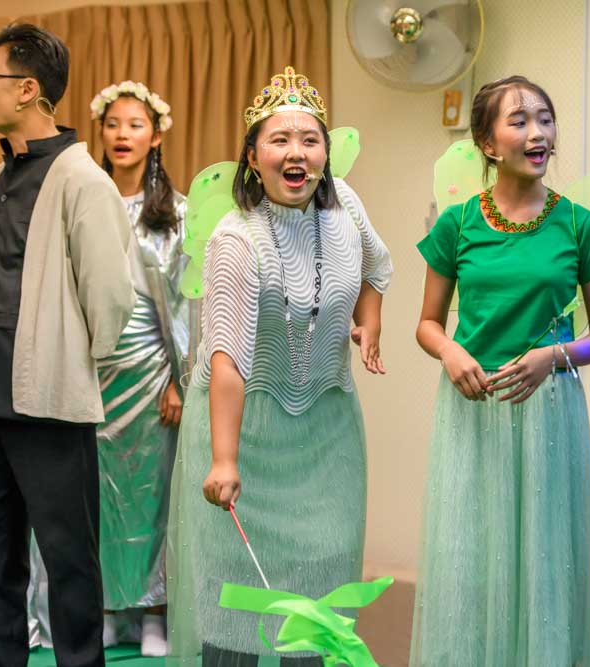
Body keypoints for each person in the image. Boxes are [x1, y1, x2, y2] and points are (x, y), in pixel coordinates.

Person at [167, 65, 392, 666]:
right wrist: (224, 459)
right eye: (280, 140)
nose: (297, 152)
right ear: (252, 157)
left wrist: (369, 321)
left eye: (310, 139)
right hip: (245, 436)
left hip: (327, 439)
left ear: (325, 154)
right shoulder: (236, 240)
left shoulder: (346, 207)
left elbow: (377, 265)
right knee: (236, 600)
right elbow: (228, 358)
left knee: (317, 597)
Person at [410, 75, 590, 666]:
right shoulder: (457, 224)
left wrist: (553, 356)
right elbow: (427, 324)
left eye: (546, 119)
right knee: (471, 562)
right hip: (472, 408)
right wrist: (451, 352)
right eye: (520, 121)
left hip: (549, 409)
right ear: (487, 142)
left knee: (544, 564)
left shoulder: (579, 224)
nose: (538, 133)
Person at [0, 24, 135, 667]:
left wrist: (63, 357)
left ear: (27, 89)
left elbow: (111, 300)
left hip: (47, 405)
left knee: (69, 564)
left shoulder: (82, 180)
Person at [89, 80, 188, 657]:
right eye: (113, 124)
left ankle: (154, 611)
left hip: (153, 369)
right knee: (99, 493)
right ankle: (106, 607)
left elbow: (184, 303)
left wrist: (179, 377)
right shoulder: (85, 201)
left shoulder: (173, 213)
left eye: (135, 125)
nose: (122, 134)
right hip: (93, 371)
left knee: (154, 494)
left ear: (155, 137)